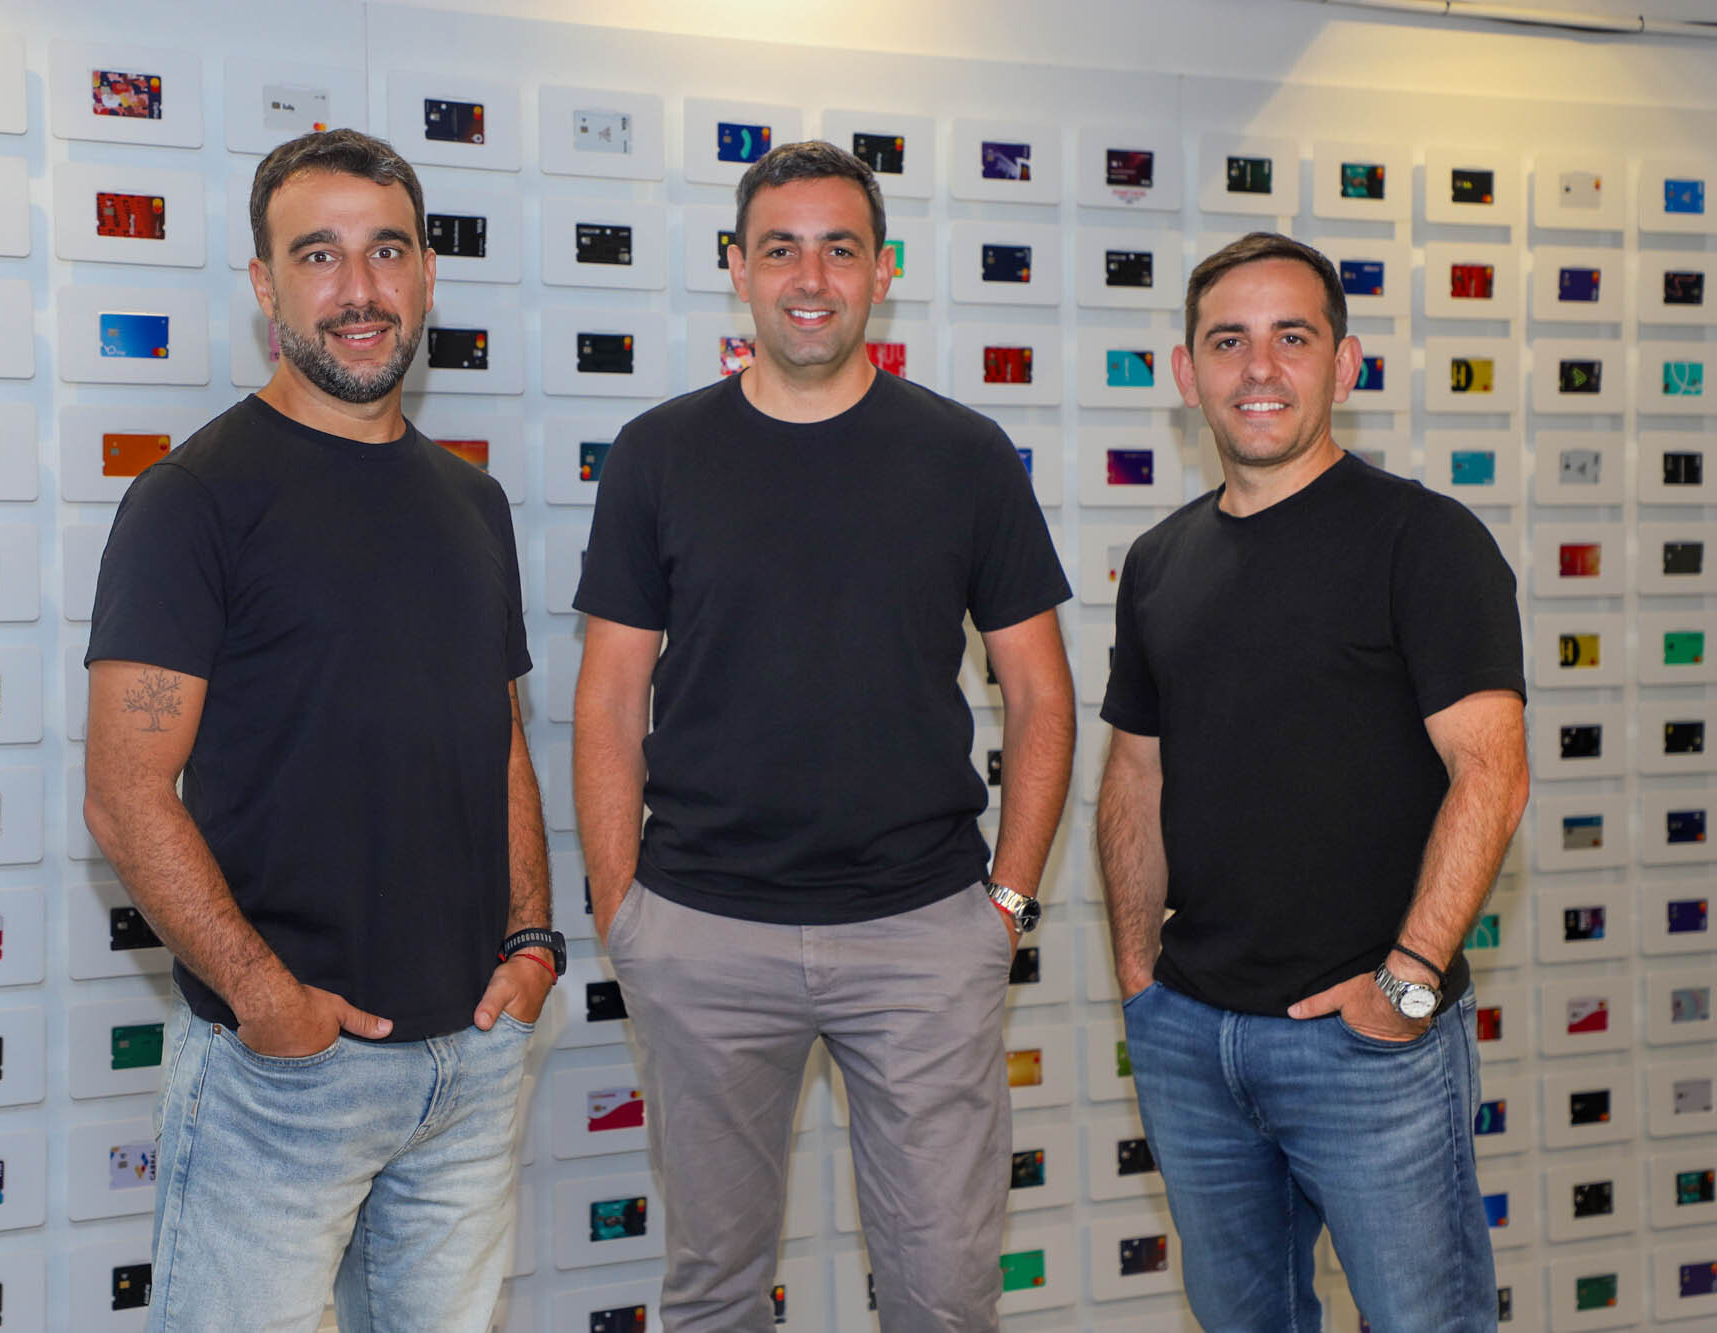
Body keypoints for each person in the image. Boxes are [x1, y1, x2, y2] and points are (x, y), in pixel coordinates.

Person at [572, 140, 1076, 1332]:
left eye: (838, 249)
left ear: (882, 270)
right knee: (714, 1293)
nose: (809, 277)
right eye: (781, 249)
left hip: (922, 933)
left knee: (943, 1296)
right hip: (702, 930)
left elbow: (1041, 695)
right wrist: (621, 911)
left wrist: (1004, 906)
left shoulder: (963, 454)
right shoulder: (657, 453)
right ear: (736, 268)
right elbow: (608, 697)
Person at [83, 129, 557, 1333]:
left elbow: (498, 737)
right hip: (283, 1080)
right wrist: (268, 1002)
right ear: (265, 285)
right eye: (318, 256)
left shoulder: (472, 503)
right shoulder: (192, 500)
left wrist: (531, 940)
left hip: (470, 1063)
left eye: (386, 251)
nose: (359, 289)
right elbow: (126, 794)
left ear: (426, 273)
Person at [1097, 230, 1528, 1332]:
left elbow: (1492, 770)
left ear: (1344, 364)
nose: (1258, 368)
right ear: (1184, 371)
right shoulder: (1157, 562)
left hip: (1365, 1043)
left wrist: (1407, 984)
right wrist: (1141, 979)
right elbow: (1134, 772)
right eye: (1226, 341)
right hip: (1192, 1037)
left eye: (1291, 338)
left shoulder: (1423, 540)